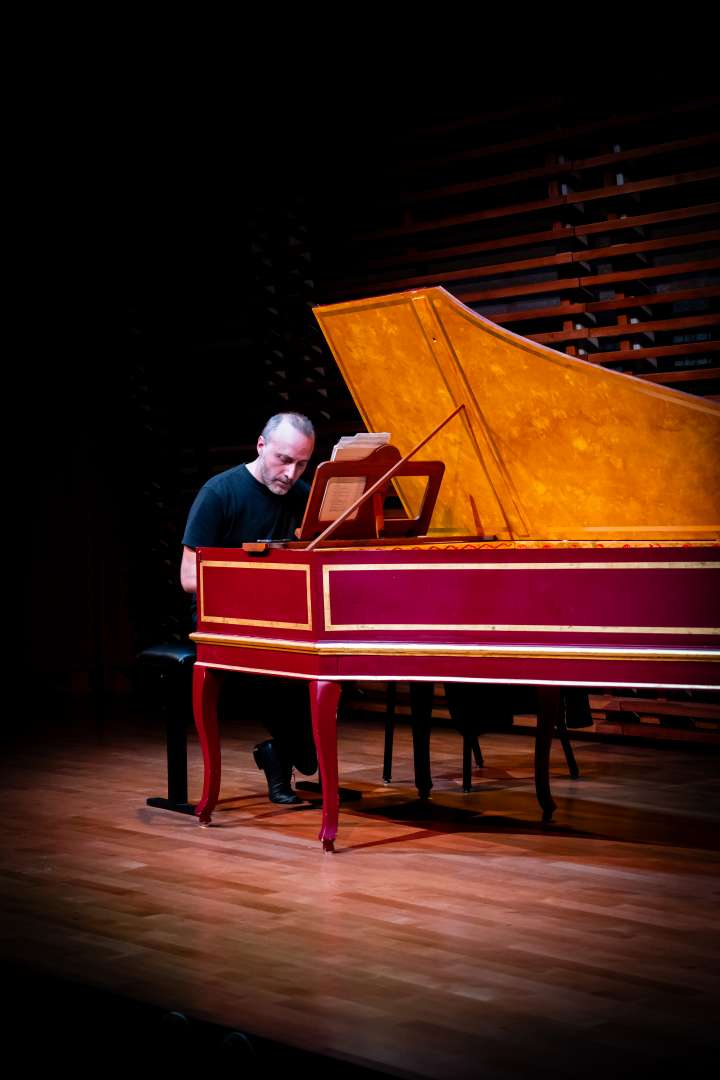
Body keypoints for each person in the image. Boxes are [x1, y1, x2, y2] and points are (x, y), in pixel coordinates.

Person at [180, 412, 318, 805]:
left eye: (302, 463)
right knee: (276, 667)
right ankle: (291, 754)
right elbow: (189, 577)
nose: (291, 473)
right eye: (283, 459)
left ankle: (288, 755)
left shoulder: (301, 496)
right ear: (260, 445)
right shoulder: (219, 493)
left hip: (282, 616)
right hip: (222, 617)